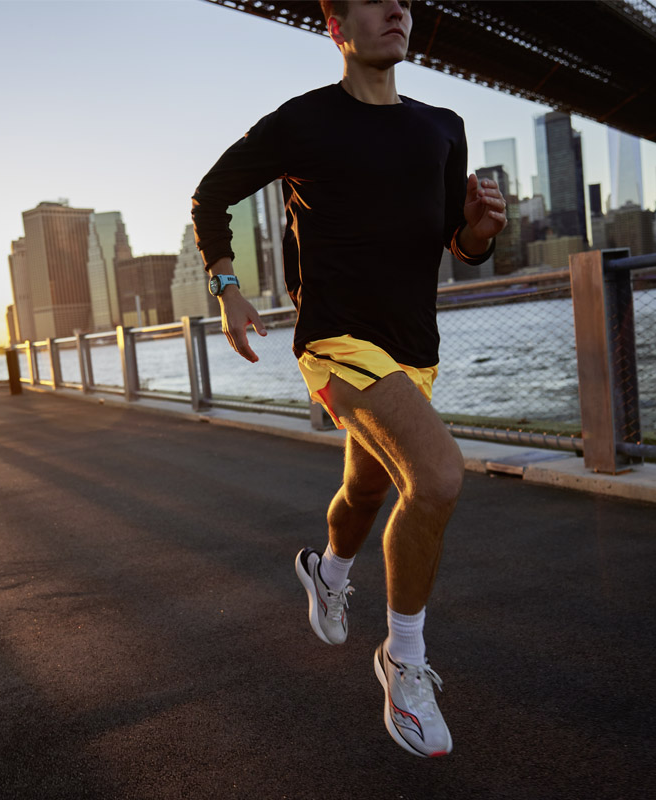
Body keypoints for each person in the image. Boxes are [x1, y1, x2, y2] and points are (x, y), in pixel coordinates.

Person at [191, 0, 506, 758]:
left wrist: (479, 233)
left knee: (368, 488)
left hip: (413, 350)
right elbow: (211, 195)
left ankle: (326, 572)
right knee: (434, 478)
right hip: (335, 342)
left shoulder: (442, 125)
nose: (398, 7)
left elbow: (450, 242)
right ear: (337, 25)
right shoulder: (303, 121)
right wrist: (228, 287)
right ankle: (404, 661)